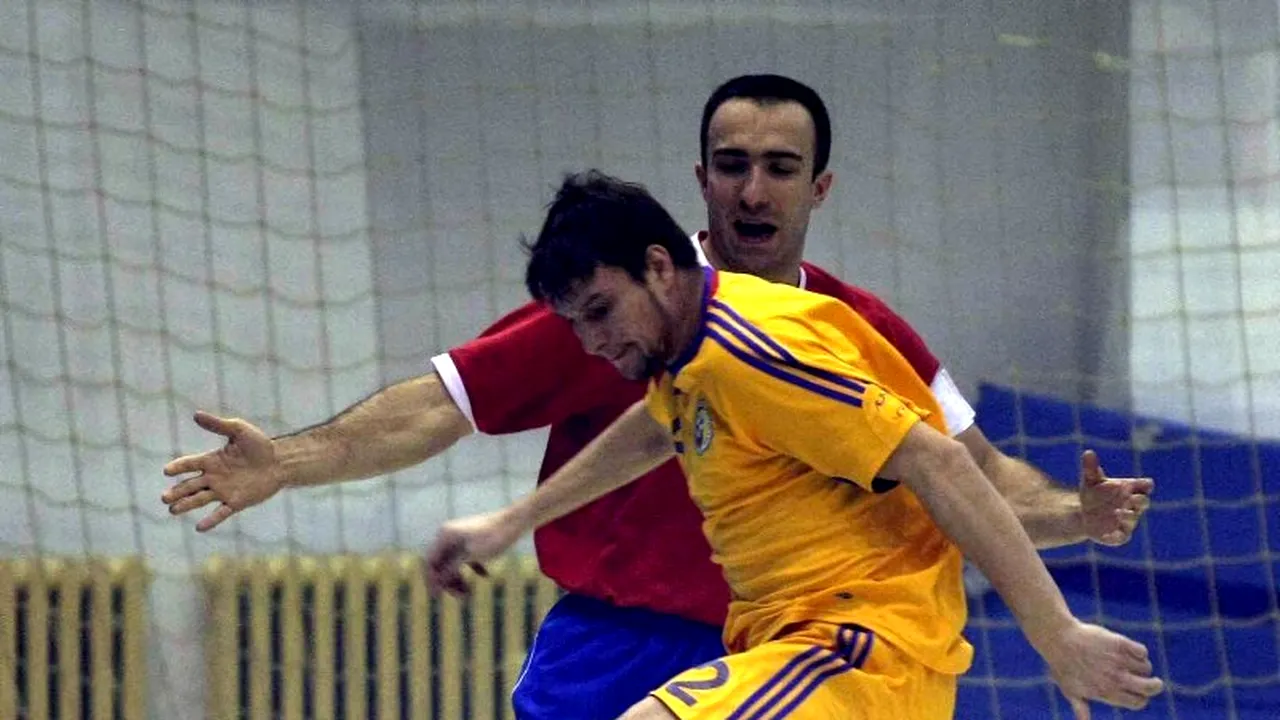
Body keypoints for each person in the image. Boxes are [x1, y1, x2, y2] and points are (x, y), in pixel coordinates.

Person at [161, 75, 1153, 719]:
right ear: (699, 182)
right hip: (617, 633)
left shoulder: (830, 333)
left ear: (819, 188)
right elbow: (457, 405)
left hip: (814, 647)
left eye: (778, 169)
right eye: (732, 167)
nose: (752, 191)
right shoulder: (625, 311)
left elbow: (960, 472)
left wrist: (1066, 543)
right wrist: (291, 464)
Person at [425, 170, 1165, 719]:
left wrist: (1057, 633)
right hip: (797, 648)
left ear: (657, 266)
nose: (591, 343)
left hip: (856, 654)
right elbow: (653, 431)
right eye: (575, 325)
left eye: (600, 311)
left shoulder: (756, 350)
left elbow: (938, 461)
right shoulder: (691, 353)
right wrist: (511, 522)